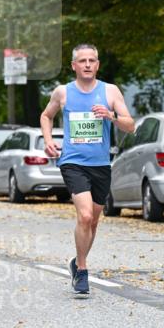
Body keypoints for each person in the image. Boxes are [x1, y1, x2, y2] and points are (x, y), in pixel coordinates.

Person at [39, 43, 135, 297]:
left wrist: (111, 116)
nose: (88, 64)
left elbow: (131, 126)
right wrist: (48, 140)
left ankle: (77, 260)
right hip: (73, 162)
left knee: (93, 221)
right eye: (83, 61)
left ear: (98, 65)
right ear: (74, 66)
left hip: (101, 165)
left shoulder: (110, 91)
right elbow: (46, 116)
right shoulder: (63, 93)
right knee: (84, 216)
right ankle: (82, 270)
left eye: (92, 60)